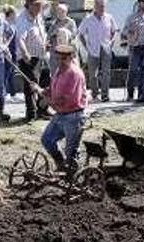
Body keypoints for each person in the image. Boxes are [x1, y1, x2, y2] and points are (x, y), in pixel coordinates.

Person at [36, 42, 86, 171]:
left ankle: (73, 176)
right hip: (60, 115)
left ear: (71, 57)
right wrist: (40, 90)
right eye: (58, 58)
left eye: (63, 58)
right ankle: (61, 165)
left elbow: (63, 98)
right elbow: (53, 88)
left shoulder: (74, 74)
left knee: (71, 151)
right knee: (47, 139)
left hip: (73, 116)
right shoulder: (59, 70)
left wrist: (46, 100)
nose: (60, 61)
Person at [78, 0, 118, 103]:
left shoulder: (109, 17)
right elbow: (81, 34)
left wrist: (111, 43)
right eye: (100, 6)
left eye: (103, 6)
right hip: (93, 49)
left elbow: (115, 31)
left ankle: (105, 95)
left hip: (106, 48)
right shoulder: (88, 19)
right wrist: (87, 47)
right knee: (93, 74)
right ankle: (95, 94)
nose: (102, 8)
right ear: (95, 6)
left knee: (106, 72)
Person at [16, 0, 48, 121]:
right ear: (30, 5)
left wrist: (44, 44)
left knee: (45, 80)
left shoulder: (38, 16)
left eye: (40, 5)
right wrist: (25, 54)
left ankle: (42, 109)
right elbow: (20, 39)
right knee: (31, 84)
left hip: (41, 55)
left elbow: (40, 33)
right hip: (29, 57)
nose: (40, 8)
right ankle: (31, 113)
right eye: (37, 5)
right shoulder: (22, 19)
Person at [122, 0, 144, 102]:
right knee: (133, 71)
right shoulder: (131, 17)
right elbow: (124, 32)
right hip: (134, 47)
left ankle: (141, 94)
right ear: (139, 3)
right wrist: (131, 31)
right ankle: (130, 94)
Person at [48, 4, 77, 74]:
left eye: (62, 11)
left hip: (67, 54)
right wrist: (55, 32)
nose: (59, 13)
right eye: (58, 11)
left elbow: (74, 35)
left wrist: (64, 32)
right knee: (55, 74)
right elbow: (49, 36)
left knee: (67, 73)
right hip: (55, 54)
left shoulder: (71, 22)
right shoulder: (54, 23)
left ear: (65, 12)